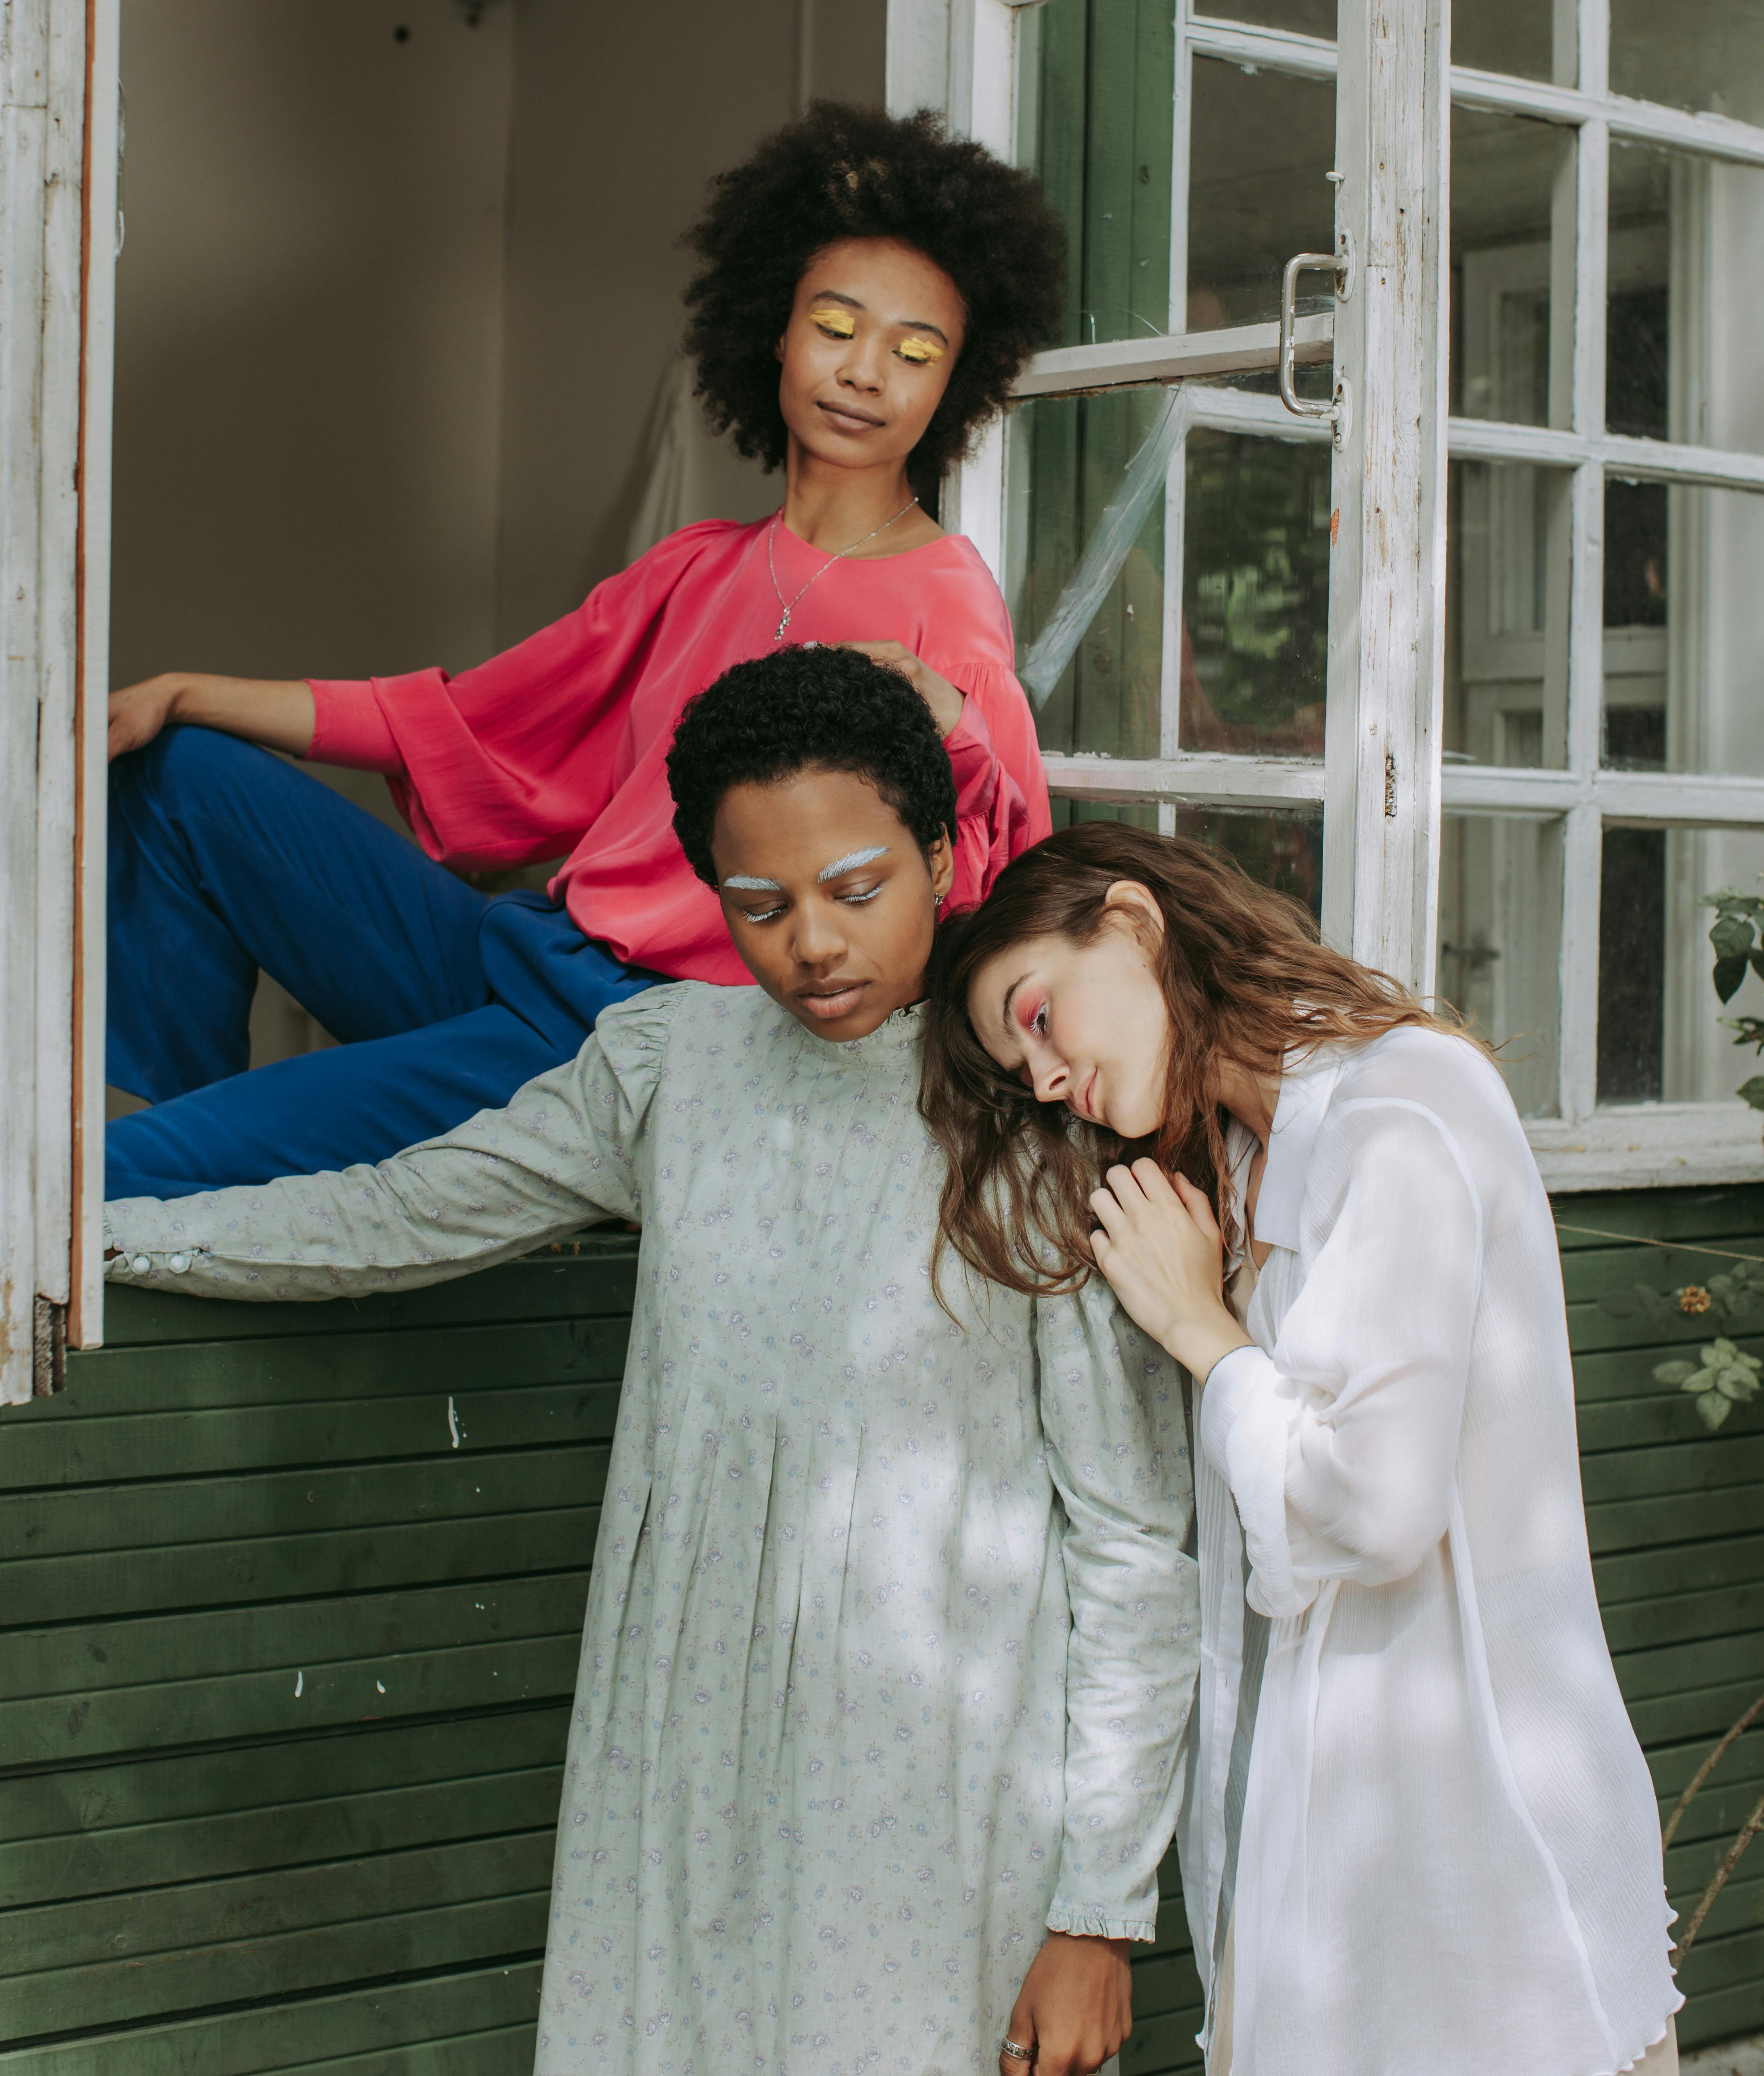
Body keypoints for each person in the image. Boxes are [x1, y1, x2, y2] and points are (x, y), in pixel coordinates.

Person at [104, 650, 1198, 2076]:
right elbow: (403, 1204)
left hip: (937, 1806)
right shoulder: (667, 1064)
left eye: (858, 888)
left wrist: (1097, 1918)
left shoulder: (1039, 1113)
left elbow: (1131, 1542)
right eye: (759, 904)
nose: (811, 944)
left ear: (941, 857)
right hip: (679, 1762)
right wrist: (100, 1240)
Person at [106, 102, 1061, 1202]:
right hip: (521, 956)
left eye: (916, 351)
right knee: (180, 776)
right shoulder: (697, 568)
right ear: (775, 333)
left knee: (117, 1172)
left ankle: (184, 1156)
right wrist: (182, 692)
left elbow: (1004, 870)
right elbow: (461, 725)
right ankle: (195, 1111)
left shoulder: (946, 601)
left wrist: (960, 728)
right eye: (837, 328)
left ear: (953, 387)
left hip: (627, 1038)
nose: (866, 374)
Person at [923, 824, 1682, 2076]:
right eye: (1025, 1070)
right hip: (1324, 1899)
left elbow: (1377, 1510)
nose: (1049, 1081)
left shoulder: (1402, 1105)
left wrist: (1204, 1335)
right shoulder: (1230, 1166)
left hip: (1485, 1878)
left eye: (1041, 1017)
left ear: (1133, 921)